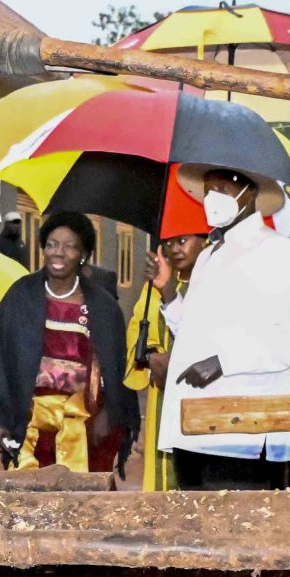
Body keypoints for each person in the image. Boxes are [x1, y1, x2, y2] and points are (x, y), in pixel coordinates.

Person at [155, 167, 290, 489]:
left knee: (239, 533)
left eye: (223, 189)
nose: (213, 198)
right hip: (193, 426)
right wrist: (169, 293)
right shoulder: (208, 256)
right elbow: (195, 333)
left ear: (250, 193)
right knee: (193, 531)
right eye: (208, 191)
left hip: (244, 432)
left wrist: (223, 362)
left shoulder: (280, 252)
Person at [0, 211, 134, 474]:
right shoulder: (21, 295)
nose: (58, 253)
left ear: (83, 254)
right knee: (29, 505)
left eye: (69, 246)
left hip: (85, 427)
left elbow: (116, 368)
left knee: (82, 506)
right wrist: (0, 418)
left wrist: (109, 414)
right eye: (52, 244)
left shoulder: (103, 307)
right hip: (27, 424)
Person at [124, 205, 209, 493]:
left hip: (201, 395)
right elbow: (137, 333)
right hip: (162, 397)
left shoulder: (211, 282)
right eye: (169, 242)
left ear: (204, 240)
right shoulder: (152, 288)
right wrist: (151, 360)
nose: (174, 249)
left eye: (182, 240)